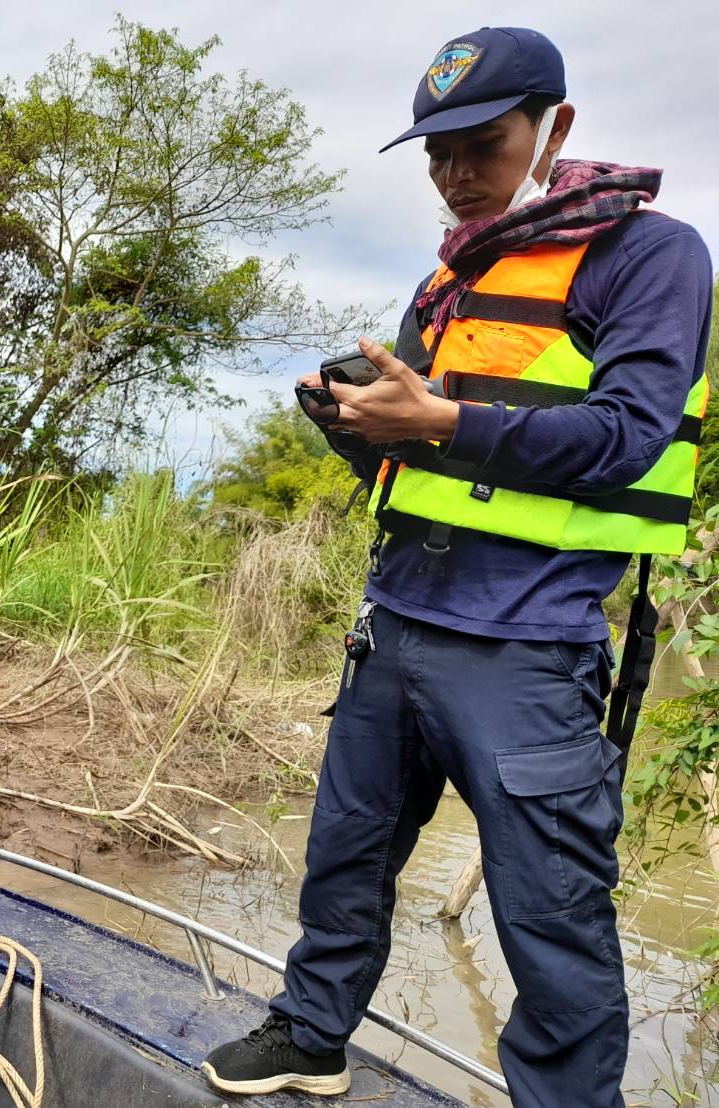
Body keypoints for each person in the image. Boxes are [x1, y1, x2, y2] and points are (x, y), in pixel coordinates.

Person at [202, 27, 710, 1106]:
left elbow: (626, 436)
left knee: (550, 910)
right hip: (394, 623)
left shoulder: (650, 256)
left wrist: (439, 416)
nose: (454, 173)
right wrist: (353, 422)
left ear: (553, 129)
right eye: (436, 153)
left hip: (528, 645)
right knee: (345, 853)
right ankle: (311, 1035)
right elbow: (418, 445)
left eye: (482, 144)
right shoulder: (452, 277)